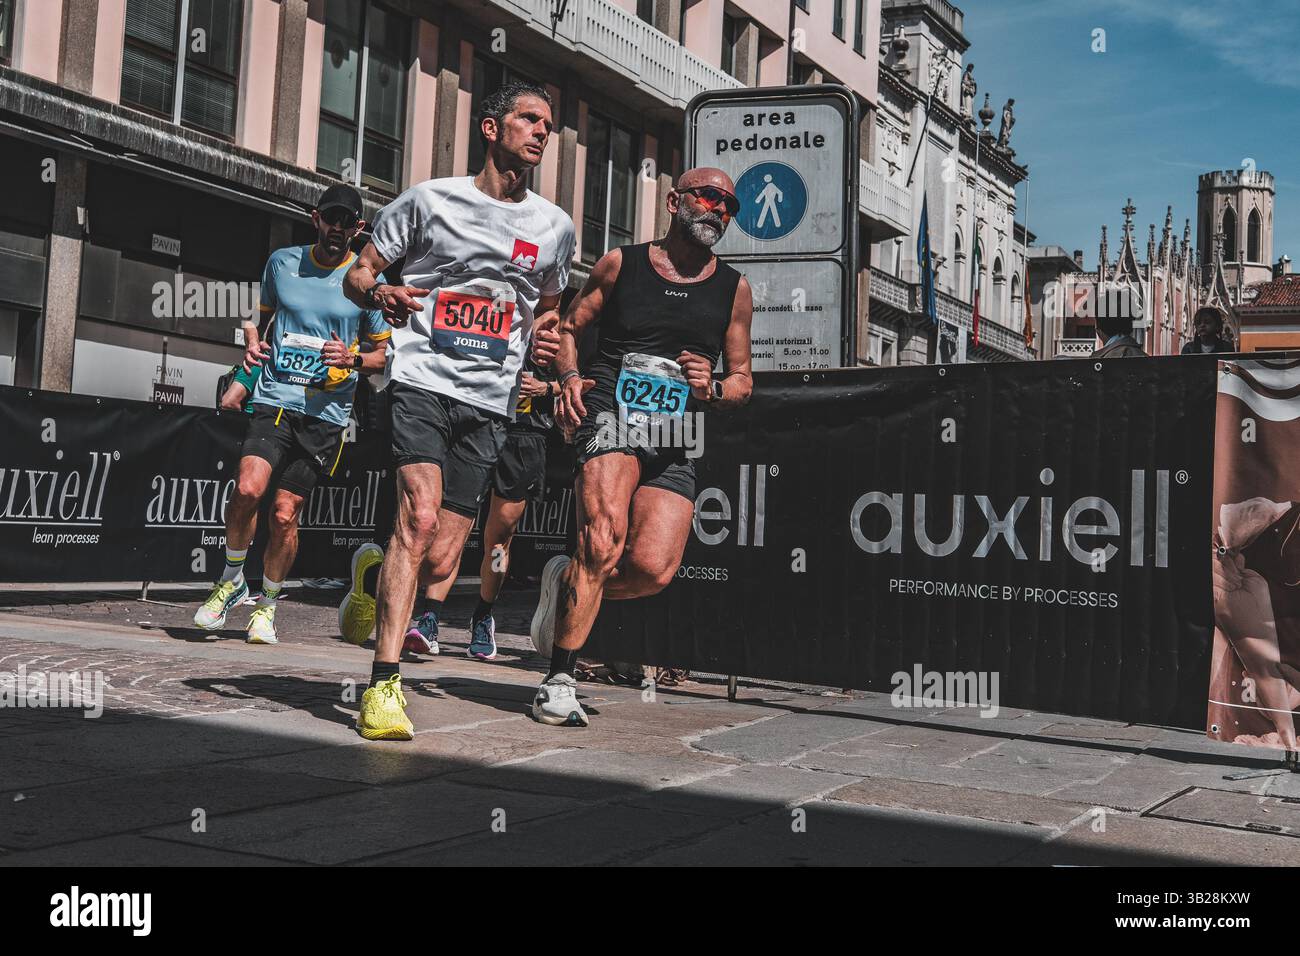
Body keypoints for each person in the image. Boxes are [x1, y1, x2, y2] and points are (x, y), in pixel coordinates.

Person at [342, 81, 576, 741]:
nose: (540, 132)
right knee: (416, 520)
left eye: (547, 125)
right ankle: (384, 685)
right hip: (421, 379)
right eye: (528, 119)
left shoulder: (554, 227)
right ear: (491, 128)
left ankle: (372, 582)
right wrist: (382, 291)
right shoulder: (430, 200)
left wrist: (554, 356)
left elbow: (550, 312)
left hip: (492, 399)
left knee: (444, 559)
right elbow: (357, 275)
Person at [526, 167, 754, 727]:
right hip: (612, 411)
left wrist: (713, 386)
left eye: (730, 205)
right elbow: (570, 327)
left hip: (676, 431)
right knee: (602, 541)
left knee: (653, 568)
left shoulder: (734, 288)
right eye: (709, 197)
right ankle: (559, 680)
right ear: (675, 201)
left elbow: (743, 380)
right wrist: (571, 377)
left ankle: (564, 585)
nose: (720, 210)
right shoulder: (620, 264)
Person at [192, 184, 390, 644]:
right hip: (276, 398)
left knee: (285, 513)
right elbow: (258, 319)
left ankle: (266, 606)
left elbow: (385, 357)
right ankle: (231, 580)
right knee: (247, 489)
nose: (338, 228)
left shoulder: (365, 283)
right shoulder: (282, 262)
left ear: (359, 229)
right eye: (332, 218)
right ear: (316, 217)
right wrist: (249, 343)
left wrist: (352, 360)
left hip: (326, 414)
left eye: (349, 222)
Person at [403, 361, 558, 661]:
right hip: (478, 420)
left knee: (499, 542)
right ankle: (430, 619)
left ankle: (483, 616)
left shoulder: (554, 326)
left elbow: (577, 378)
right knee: (453, 528)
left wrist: (547, 387)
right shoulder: (497, 314)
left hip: (524, 435)